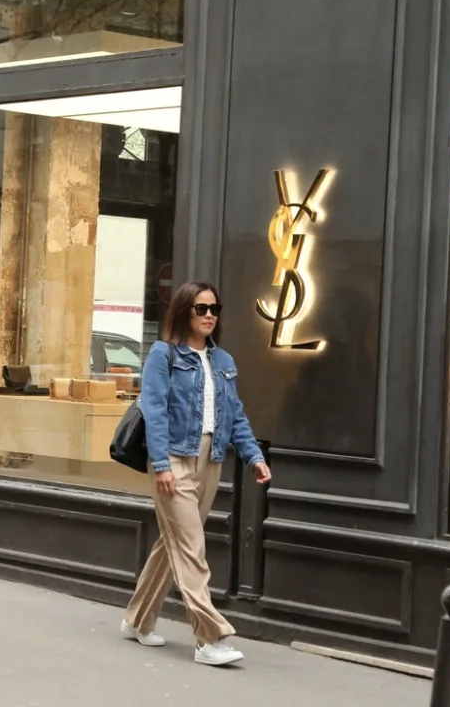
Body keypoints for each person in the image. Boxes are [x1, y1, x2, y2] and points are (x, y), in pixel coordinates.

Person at [122, 281, 271, 667]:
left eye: (214, 309)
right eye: (200, 309)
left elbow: (235, 414)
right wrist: (161, 464)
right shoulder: (163, 354)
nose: (209, 316)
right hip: (174, 457)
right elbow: (154, 411)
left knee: (173, 544)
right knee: (191, 547)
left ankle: (137, 619)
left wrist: (253, 455)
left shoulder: (222, 361)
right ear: (184, 311)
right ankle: (210, 638)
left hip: (211, 459)